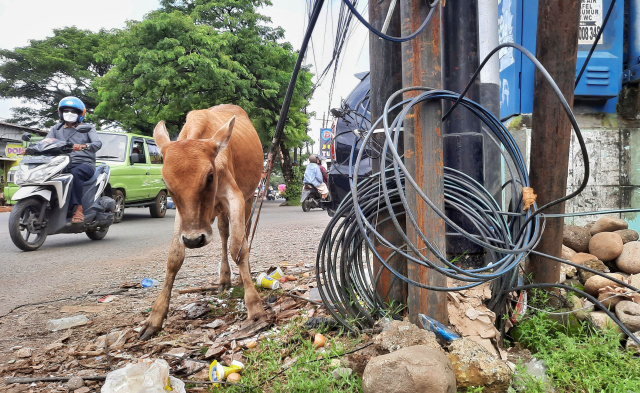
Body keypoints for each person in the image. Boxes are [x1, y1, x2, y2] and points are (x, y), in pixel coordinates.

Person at [46, 96, 102, 224]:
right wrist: (30, 149)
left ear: (80, 114)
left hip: (84, 164)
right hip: (60, 163)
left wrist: (84, 146)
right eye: (66, 111)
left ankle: (78, 208)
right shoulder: (56, 129)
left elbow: (97, 144)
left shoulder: (88, 128)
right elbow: (46, 142)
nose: (69, 114)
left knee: (75, 174)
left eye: (73, 111)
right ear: (60, 112)